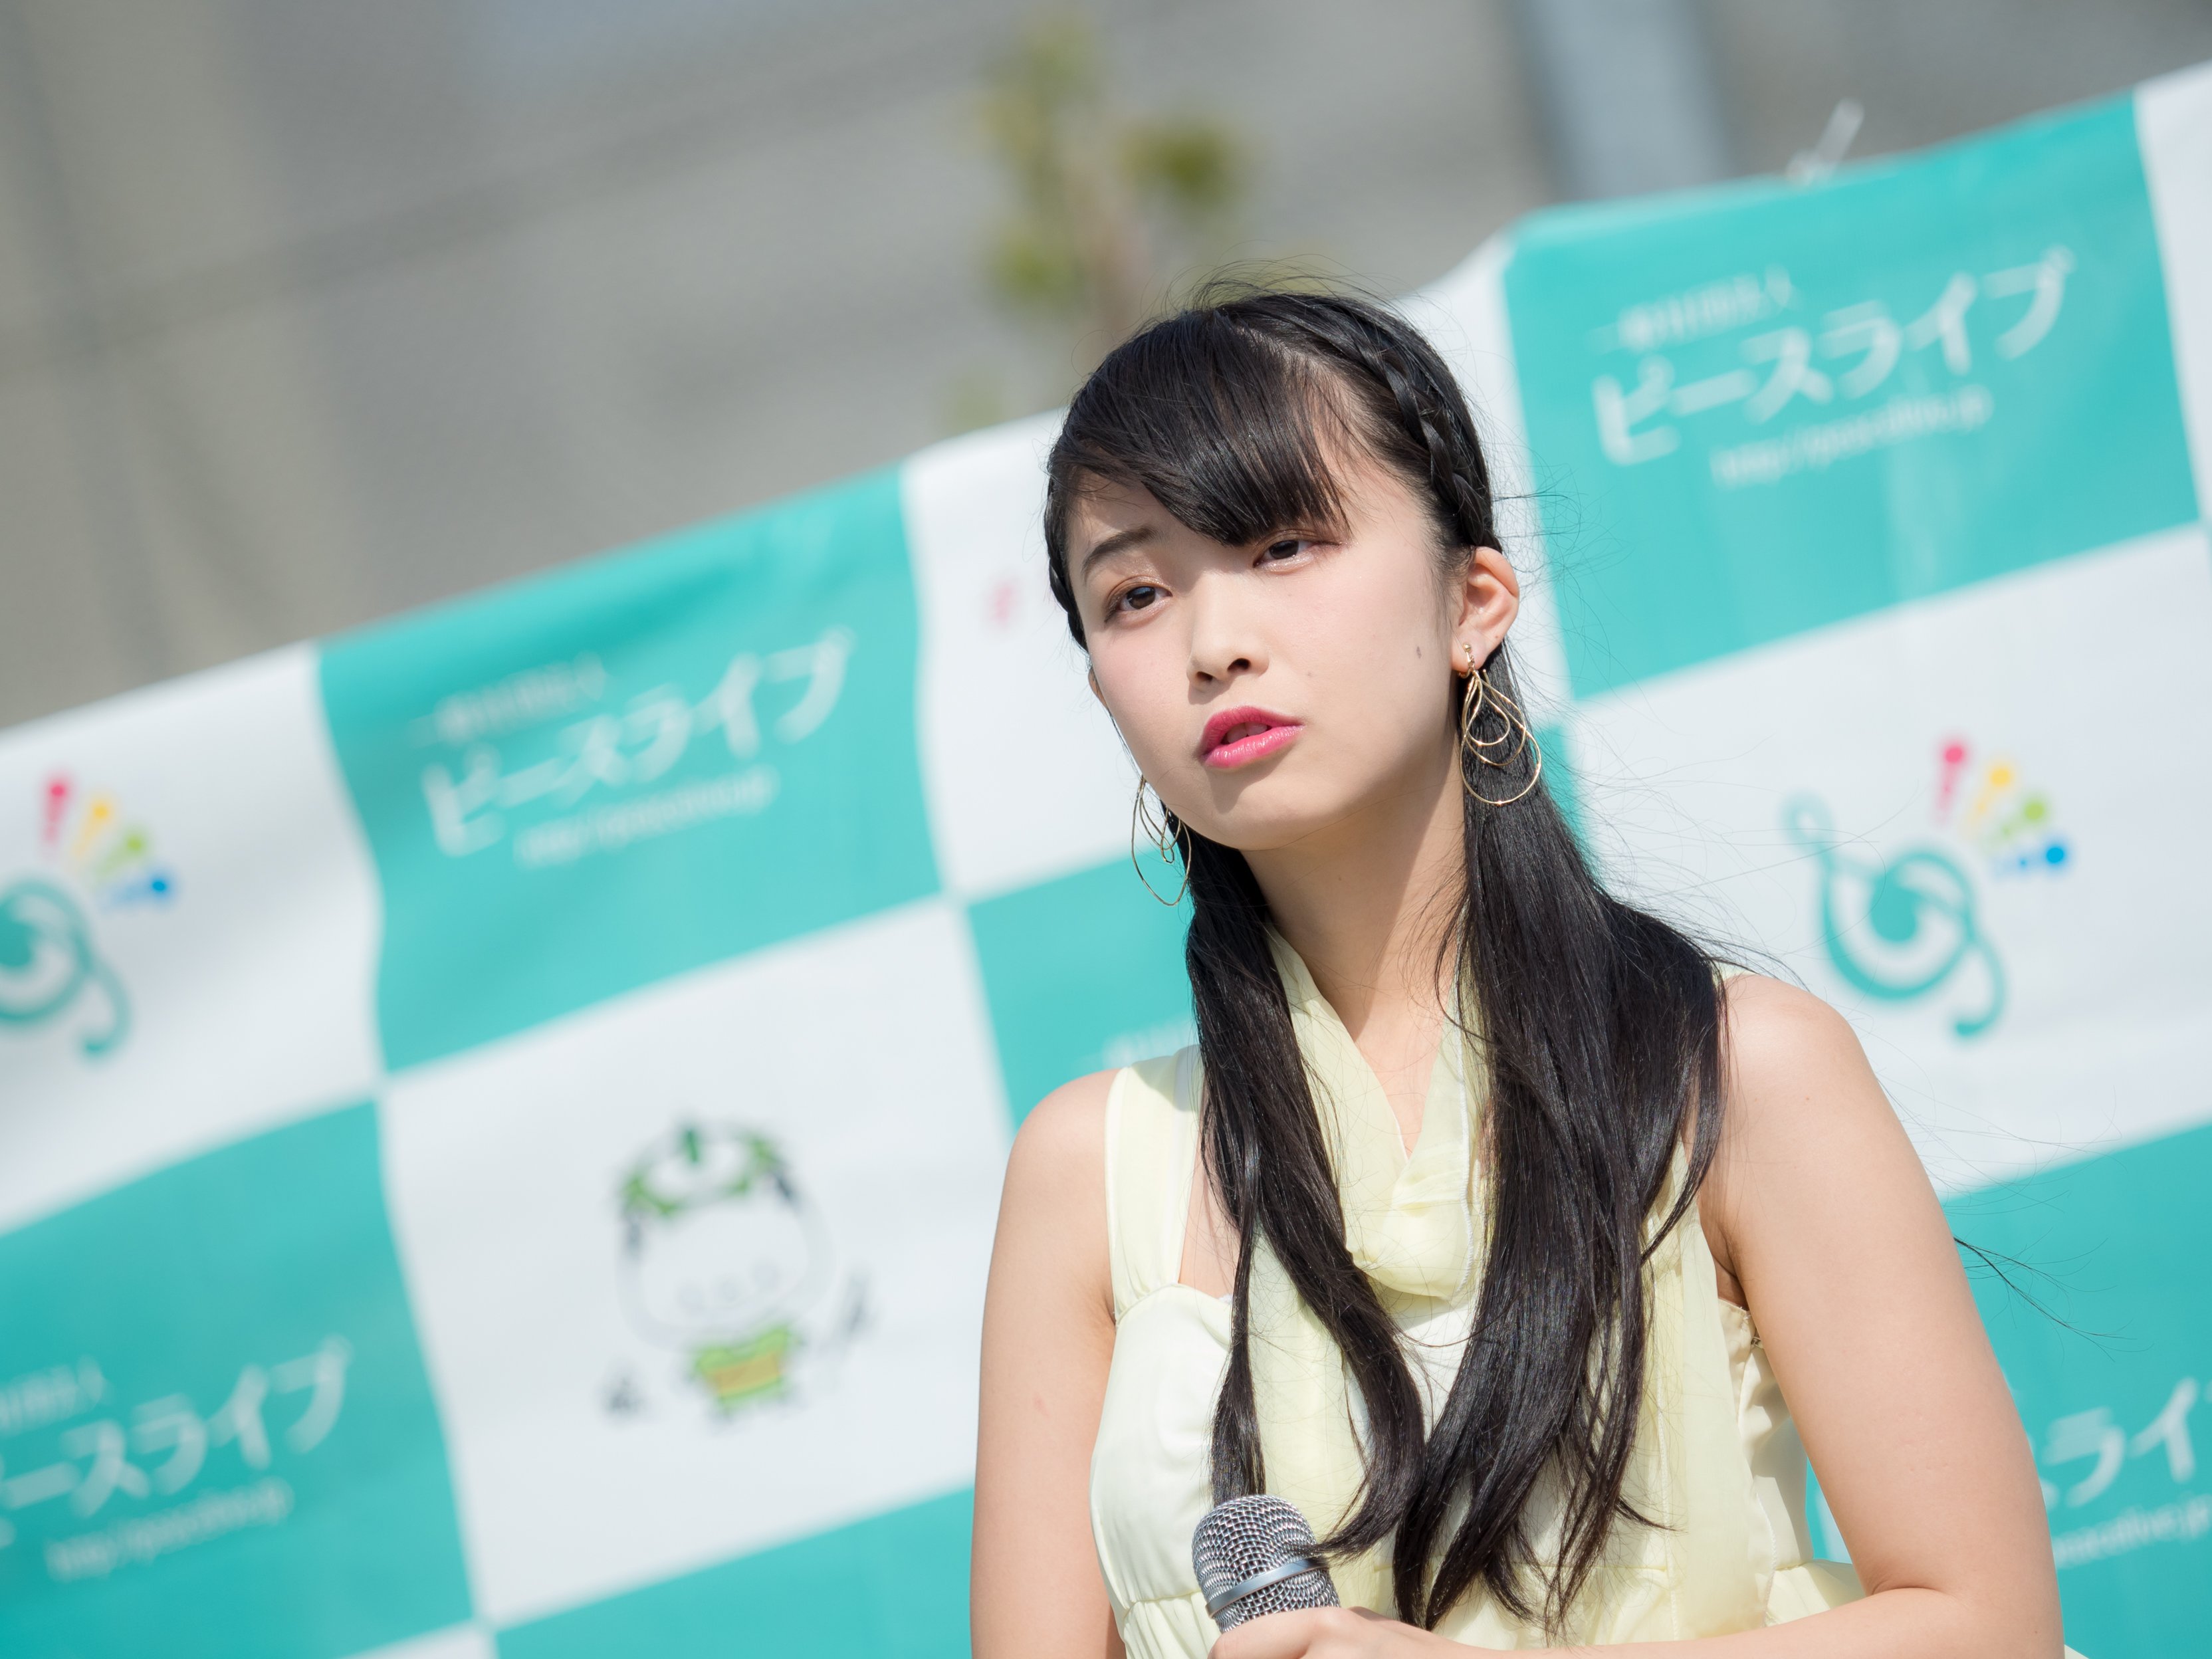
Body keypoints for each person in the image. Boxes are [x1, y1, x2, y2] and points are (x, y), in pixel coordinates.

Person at [970, 288, 2072, 1659]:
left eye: (1283, 543)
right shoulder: (1089, 1172)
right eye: (1134, 595)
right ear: (1103, 689)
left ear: (1471, 601)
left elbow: (1985, 1623)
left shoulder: (1730, 1075)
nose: (1212, 644)